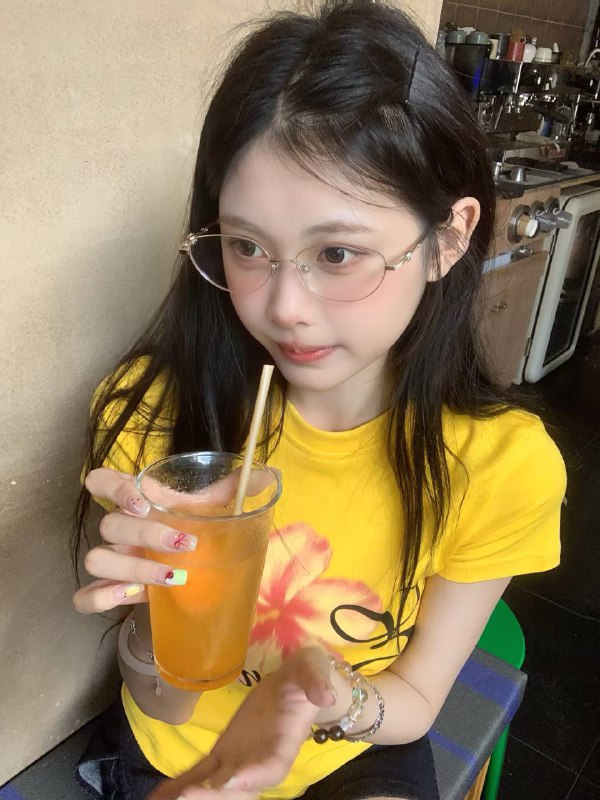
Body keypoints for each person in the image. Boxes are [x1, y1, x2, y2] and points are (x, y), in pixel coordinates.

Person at [71, 2, 566, 799]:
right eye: (247, 247)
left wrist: (332, 698)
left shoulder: (501, 466)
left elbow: (412, 701)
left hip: (352, 747)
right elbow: (162, 693)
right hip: (174, 749)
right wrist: (155, 614)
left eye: (336, 253)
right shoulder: (152, 412)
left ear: (446, 239)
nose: (283, 307)